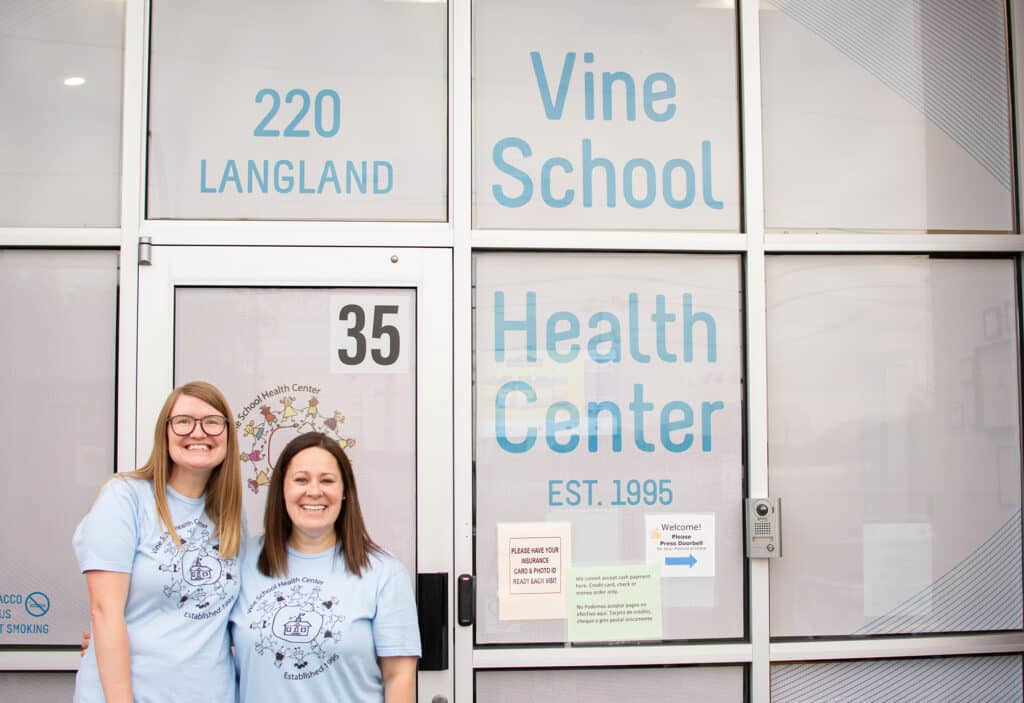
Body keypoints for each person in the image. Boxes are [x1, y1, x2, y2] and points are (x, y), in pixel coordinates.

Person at [73, 381, 244, 703]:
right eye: (183, 421)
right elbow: (104, 610)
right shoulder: (125, 497)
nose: (198, 432)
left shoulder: (231, 516)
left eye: (212, 422)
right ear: (164, 432)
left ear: (227, 435)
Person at [229, 431, 420, 703]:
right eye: (301, 480)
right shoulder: (241, 563)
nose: (315, 491)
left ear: (344, 492)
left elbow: (399, 675)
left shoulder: (384, 574)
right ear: (282, 490)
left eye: (327, 480)